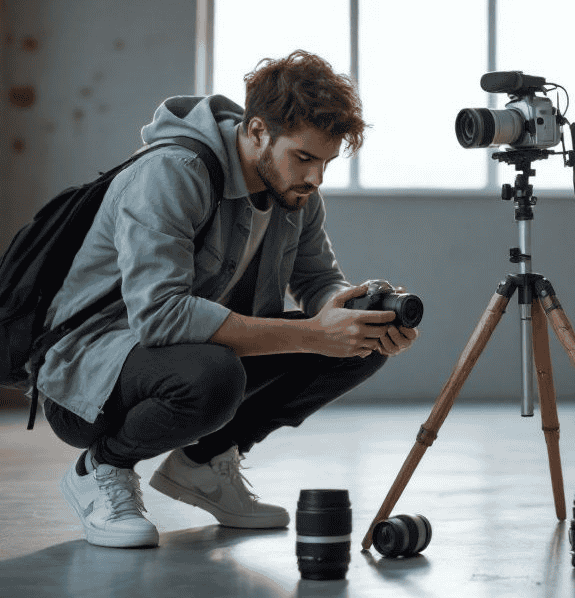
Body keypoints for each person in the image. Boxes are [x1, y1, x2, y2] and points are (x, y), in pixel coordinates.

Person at [35, 50, 418, 548]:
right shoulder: (172, 174)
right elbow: (160, 318)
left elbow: (318, 279)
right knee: (215, 375)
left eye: (325, 162)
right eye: (303, 158)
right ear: (257, 131)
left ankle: (205, 465)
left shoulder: (296, 195)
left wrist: (354, 311)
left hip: (195, 355)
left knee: (356, 346)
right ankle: (101, 466)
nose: (315, 178)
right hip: (91, 378)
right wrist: (312, 334)